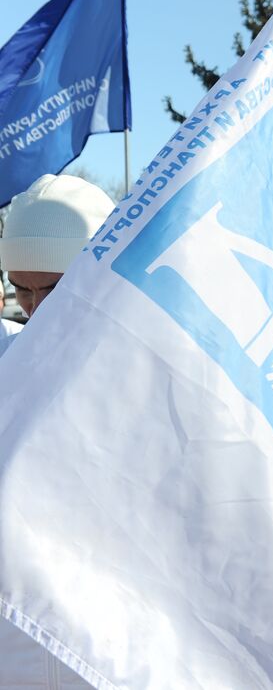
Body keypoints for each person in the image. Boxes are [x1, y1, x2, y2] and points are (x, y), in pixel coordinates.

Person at [0, 174, 116, 686]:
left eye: (50, 287)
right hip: (22, 635)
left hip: (106, 636)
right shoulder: (10, 353)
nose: (33, 306)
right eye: (20, 288)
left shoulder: (155, 364)